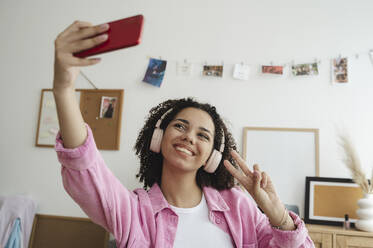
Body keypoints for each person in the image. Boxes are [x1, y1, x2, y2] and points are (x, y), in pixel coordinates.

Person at [53, 21, 315, 248]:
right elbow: (86, 167)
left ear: (211, 157)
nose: (189, 137)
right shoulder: (136, 211)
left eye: (203, 135)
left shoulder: (238, 206)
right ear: (158, 137)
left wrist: (278, 215)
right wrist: (64, 89)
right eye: (180, 126)